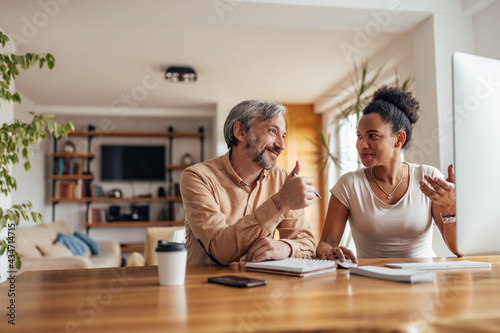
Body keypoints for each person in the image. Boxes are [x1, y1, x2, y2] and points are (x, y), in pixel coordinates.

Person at [317, 86, 462, 263]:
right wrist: (329, 252)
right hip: (372, 282)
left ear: (399, 139)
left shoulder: (428, 177)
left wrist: (449, 208)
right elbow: (326, 243)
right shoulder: (349, 184)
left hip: (423, 282)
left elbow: (457, 250)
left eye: (373, 136)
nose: (362, 144)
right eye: (359, 135)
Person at [180, 99, 317, 265]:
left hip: (263, 286)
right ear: (240, 132)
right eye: (273, 131)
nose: (281, 145)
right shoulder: (197, 177)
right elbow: (220, 250)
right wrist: (280, 201)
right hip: (207, 287)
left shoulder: (282, 180)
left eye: (283, 136)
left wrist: (285, 247)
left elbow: (308, 247)